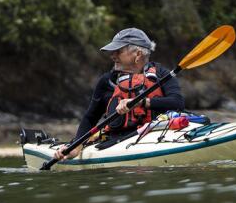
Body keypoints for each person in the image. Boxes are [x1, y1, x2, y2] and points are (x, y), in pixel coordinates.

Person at [54, 27, 184, 162]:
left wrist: (141, 102)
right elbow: (90, 117)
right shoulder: (108, 81)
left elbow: (177, 103)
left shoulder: (162, 75)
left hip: (154, 134)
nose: (113, 55)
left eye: (118, 51)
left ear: (138, 54)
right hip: (116, 140)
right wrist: (76, 146)